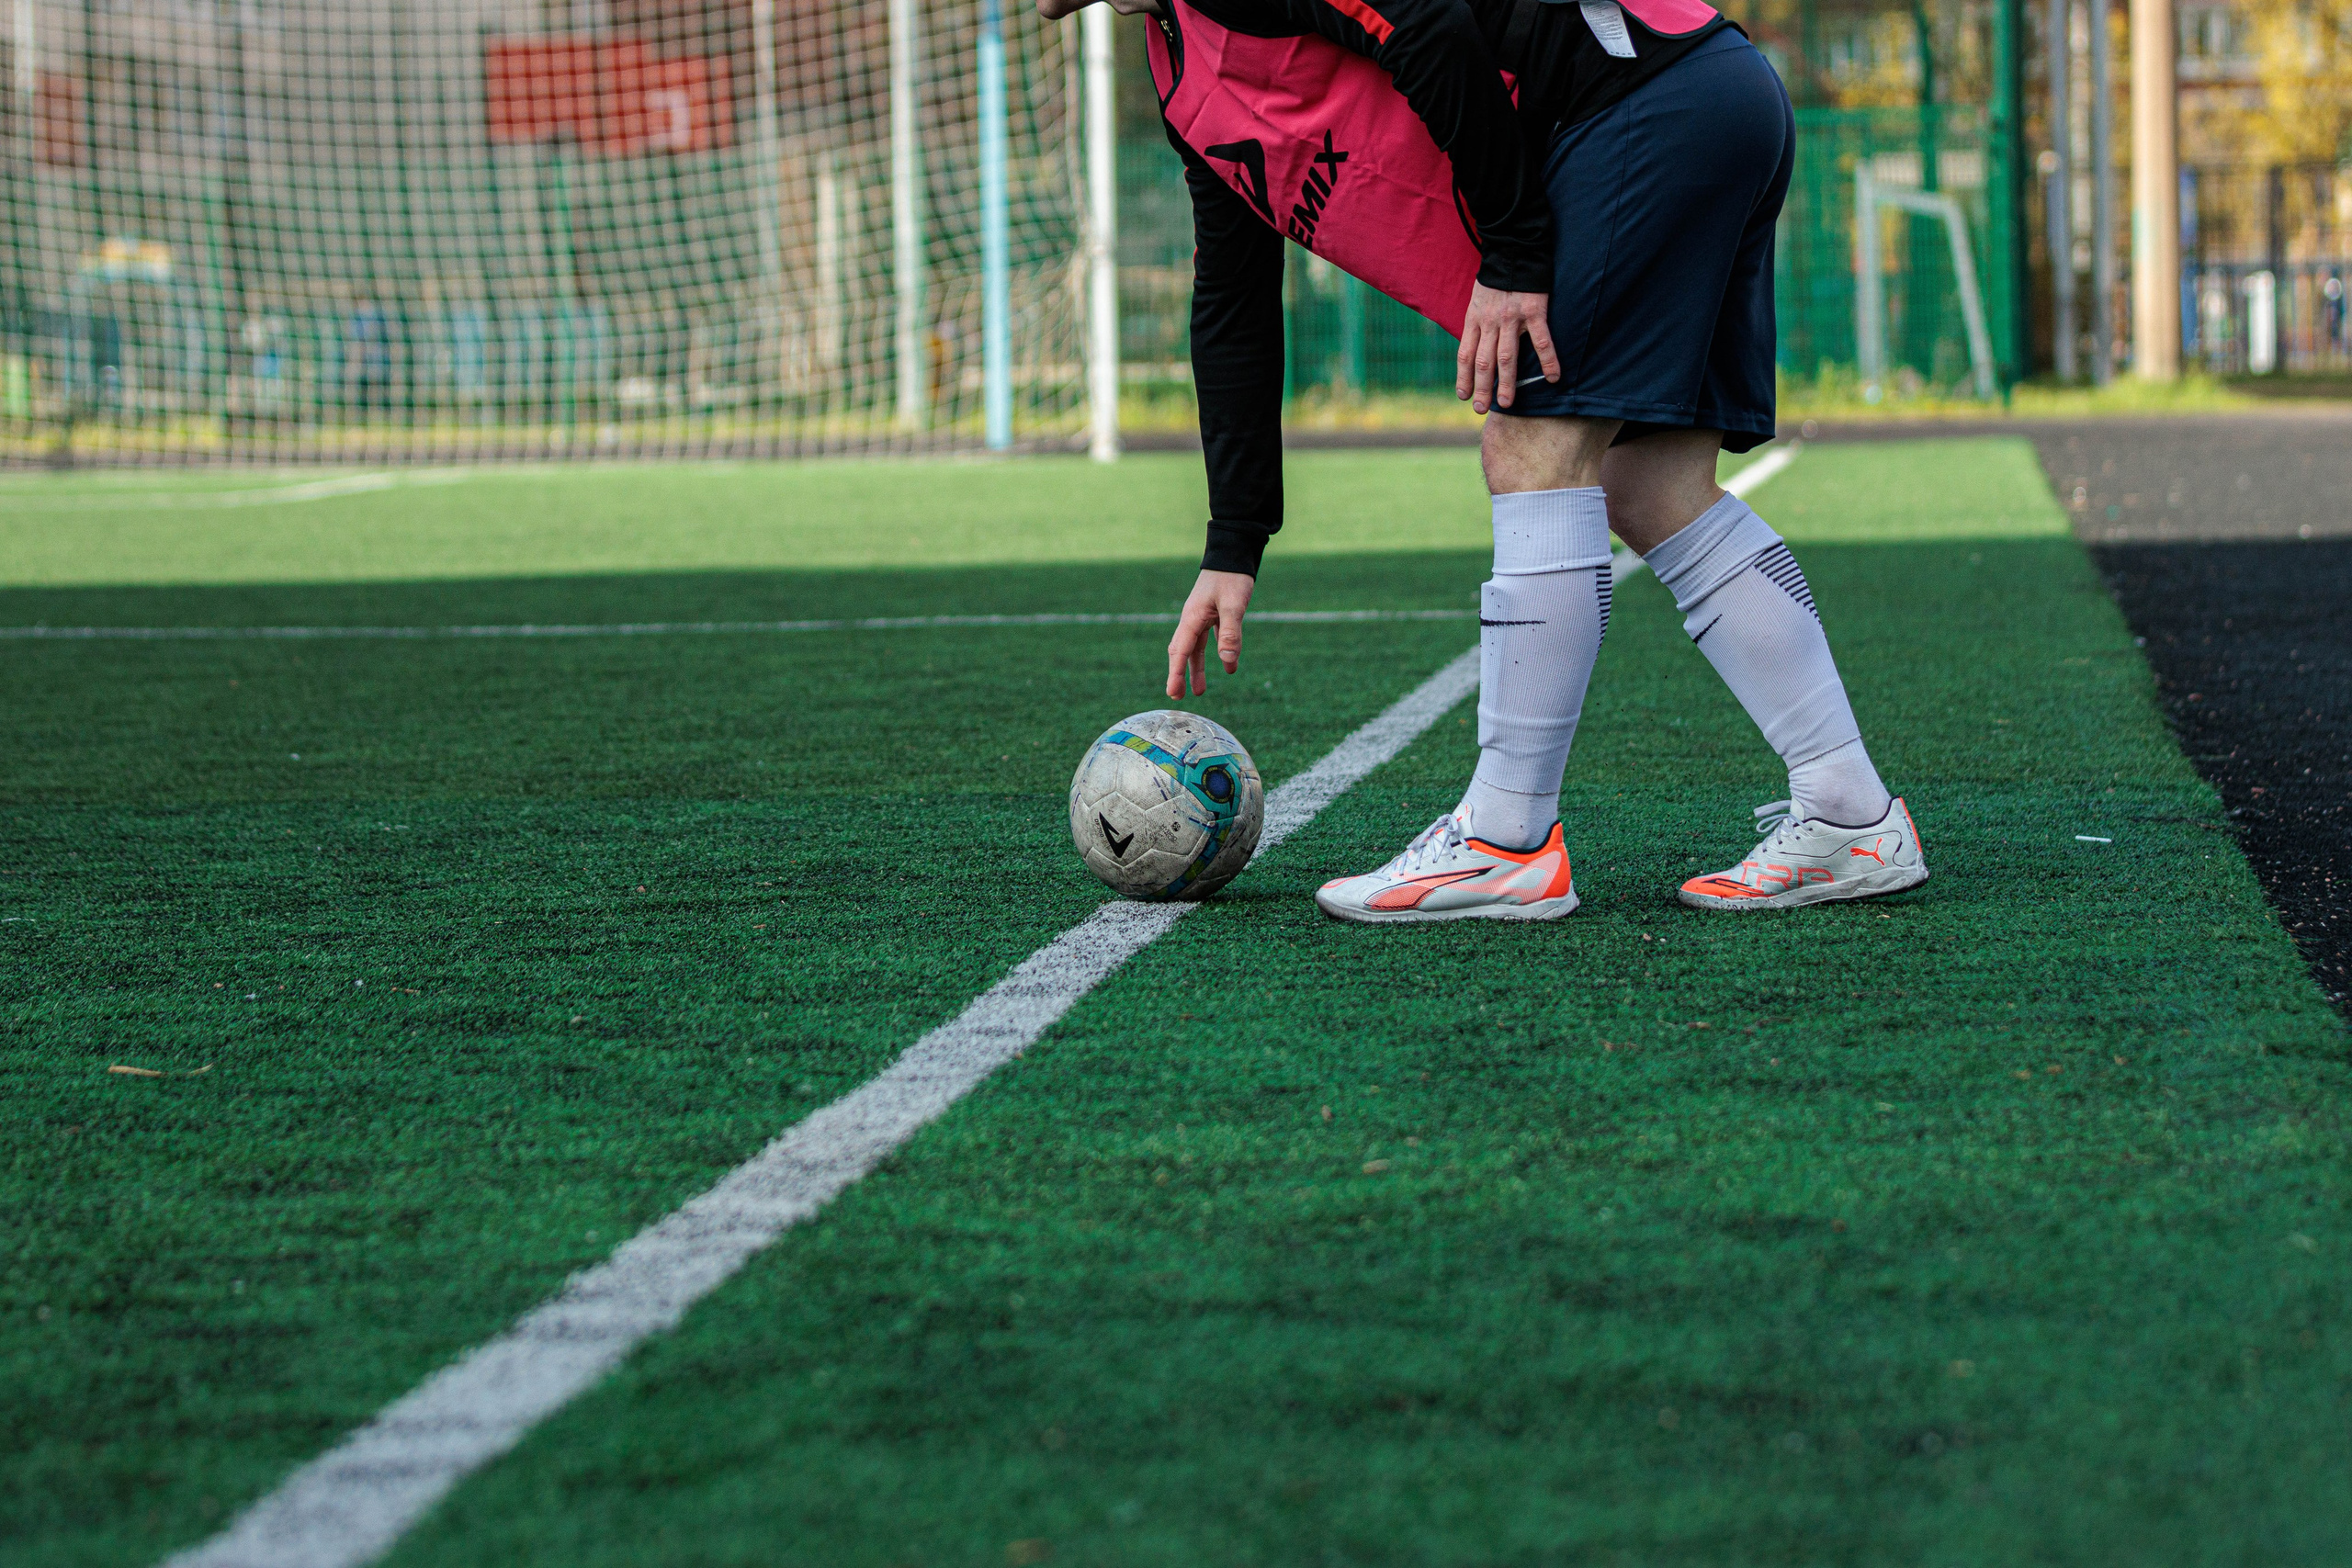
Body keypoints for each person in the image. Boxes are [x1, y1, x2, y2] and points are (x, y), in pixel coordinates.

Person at [1036, 0, 1926, 920]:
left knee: (1530, 451)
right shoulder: (1182, 76)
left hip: (1644, 100)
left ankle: (1504, 841)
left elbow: (1428, 21)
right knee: (1651, 485)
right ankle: (1848, 814)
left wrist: (1512, 256)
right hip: (1699, 94)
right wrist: (1234, 538)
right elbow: (1233, 297)